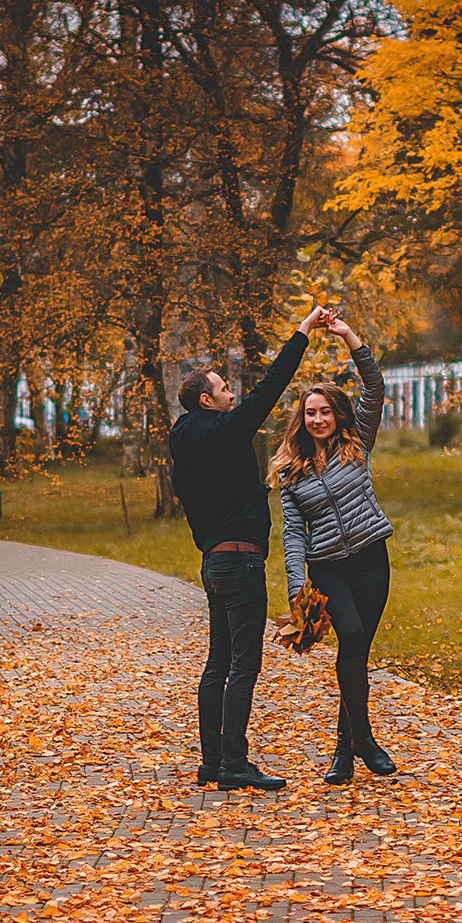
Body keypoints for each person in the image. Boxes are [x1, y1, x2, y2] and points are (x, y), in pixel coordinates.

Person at [170, 304, 332, 791]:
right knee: (243, 662)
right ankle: (234, 764)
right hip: (240, 563)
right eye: (223, 389)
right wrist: (302, 333)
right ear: (205, 401)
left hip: (214, 562)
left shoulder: (187, 445)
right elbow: (270, 388)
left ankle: (211, 762)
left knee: (218, 661)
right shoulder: (223, 431)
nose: (233, 394)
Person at [272, 314, 398, 784]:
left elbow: (375, 387)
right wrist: (294, 587)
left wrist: (348, 334)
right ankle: (365, 739)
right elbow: (292, 533)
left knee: (358, 651)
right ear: (301, 419)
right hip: (328, 568)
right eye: (310, 413)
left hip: (370, 559)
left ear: (337, 415)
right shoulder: (290, 470)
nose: (318, 419)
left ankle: (344, 752)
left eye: (325, 411)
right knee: (348, 637)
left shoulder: (357, 443)